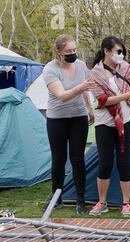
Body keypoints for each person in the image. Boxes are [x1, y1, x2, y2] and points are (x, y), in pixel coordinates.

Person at [88, 36, 130, 217]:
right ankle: (102, 202)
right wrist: (127, 95)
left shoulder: (127, 68)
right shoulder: (95, 73)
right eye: (118, 51)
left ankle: (126, 203)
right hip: (105, 122)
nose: (121, 55)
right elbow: (103, 101)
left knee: (124, 162)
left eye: (122, 52)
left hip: (127, 121)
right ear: (106, 52)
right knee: (105, 162)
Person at [43, 34, 96, 214]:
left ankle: (80, 200)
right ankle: (56, 198)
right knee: (59, 159)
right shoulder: (50, 69)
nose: (72, 53)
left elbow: (86, 89)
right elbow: (62, 96)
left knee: (77, 159)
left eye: (74, 50)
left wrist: (89, 108)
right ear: (59, 52)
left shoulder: (80, 65)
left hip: (78, 117)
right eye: (68, 51)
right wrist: (81, 87)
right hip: (57, 119)